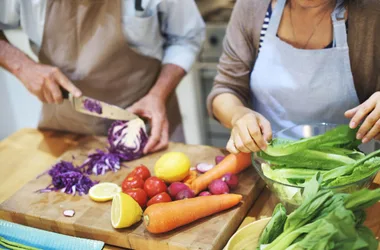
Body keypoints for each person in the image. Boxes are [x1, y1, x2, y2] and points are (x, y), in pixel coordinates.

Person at [0, 0, 205, 154]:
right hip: (66, 129)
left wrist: (158, 94)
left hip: (147, 126)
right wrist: (22, 66)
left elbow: (186, 37)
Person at [207, 0, 380, 154]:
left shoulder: (372, 13)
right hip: (268, 169)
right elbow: (226, 89)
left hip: (349, 175)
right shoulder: (252, 7)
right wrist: (239, 115)